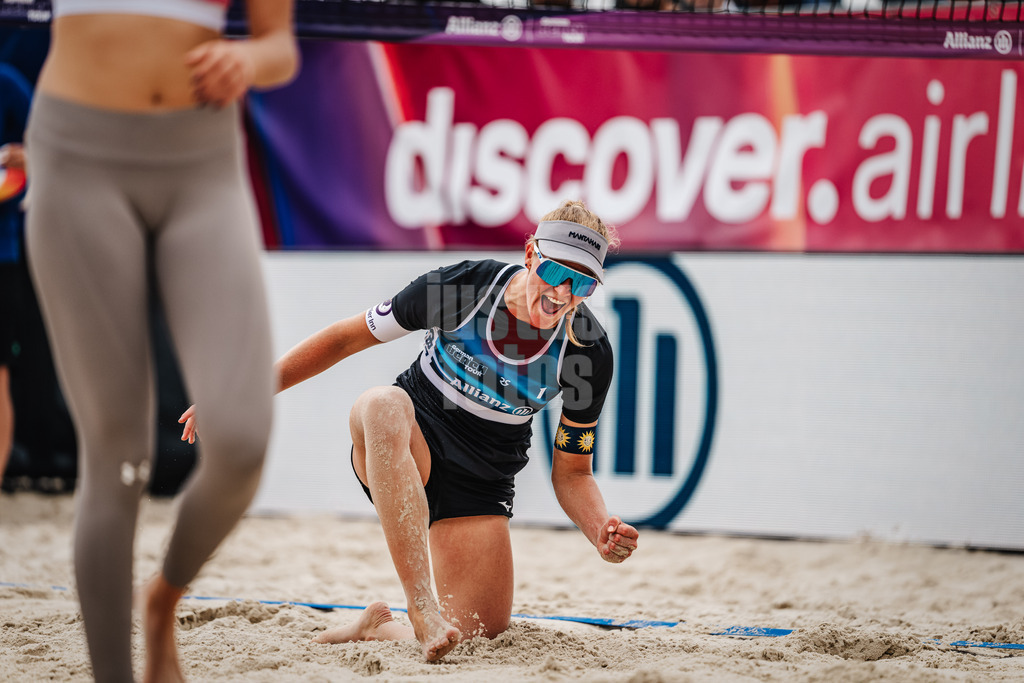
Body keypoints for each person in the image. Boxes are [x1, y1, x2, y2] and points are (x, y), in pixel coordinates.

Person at [182, 199, 640, 662]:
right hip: (408, 441)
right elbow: (345, 337)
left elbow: (573, 473)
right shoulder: (461, 287)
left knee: (478, 639)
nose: (563, 292)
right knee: (382, 403)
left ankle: (378, 628)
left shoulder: (587, 353)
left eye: (582, 282)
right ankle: (420, 607)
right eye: (555, 272)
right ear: (529, 254)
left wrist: (599, 526)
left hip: (481, 484)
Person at [23, 2, 299, 681]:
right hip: (76, 153)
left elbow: (280, 47)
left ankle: (164, 595)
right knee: (118, 457)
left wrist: (248, 60)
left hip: (199, 162)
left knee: (241, 441)